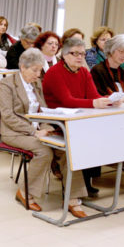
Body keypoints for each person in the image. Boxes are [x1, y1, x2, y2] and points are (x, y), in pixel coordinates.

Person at [0, 48, 88, 217]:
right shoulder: (7, 84)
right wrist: (33, 131)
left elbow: (43, 110)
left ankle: (72, 197)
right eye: (35, 70)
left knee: (68, 149)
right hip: (14, 132)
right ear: (22, 67)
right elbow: (8, 116)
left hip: (37, 129)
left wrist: (48, 127)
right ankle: (25, 192)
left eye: (40, 70)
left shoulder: (36, 83)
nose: (38, 75)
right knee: (44, 151)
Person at [42, 37, 114, 197]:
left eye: (82, 53)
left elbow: (93, 95)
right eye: (75, 53)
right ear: (64, 54)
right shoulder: (55, 72)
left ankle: (88, 180)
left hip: (80, 117)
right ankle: (80, 184)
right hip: (57, 120)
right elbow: (67, 100)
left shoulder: (83, 72)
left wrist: (109, 101)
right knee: (86, 137)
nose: (80, 57)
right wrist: (94, 103)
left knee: (100, 135)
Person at [91, 34, 124, 98]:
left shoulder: (122, 71)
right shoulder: (97, 70)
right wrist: (123, 99)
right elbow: (99, 95)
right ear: (111, 50)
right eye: (121, 51)